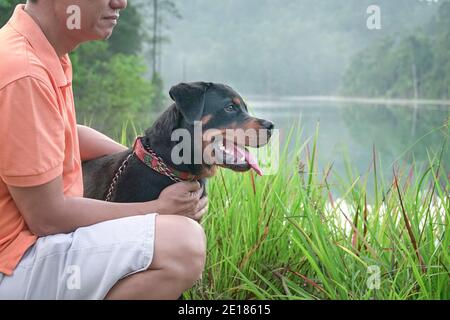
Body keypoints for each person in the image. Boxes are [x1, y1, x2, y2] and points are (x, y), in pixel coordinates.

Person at [0, 0, 208, 299]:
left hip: (22, 251)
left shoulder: (41, 50)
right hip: (12, 262)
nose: (120, 2)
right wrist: (158, 209)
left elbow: (67, 135)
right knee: (182, 245)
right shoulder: (24, 73)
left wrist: (147, 163)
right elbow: (46, 216)